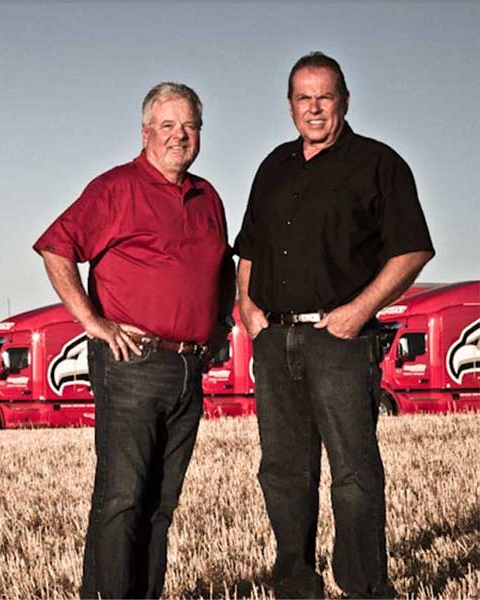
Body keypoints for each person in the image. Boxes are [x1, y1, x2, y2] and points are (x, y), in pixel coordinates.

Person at [235, 52, 434, 598]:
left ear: (345, 100)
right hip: (275, 341)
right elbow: (248, 246)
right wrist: (248, 309)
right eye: (304, 98)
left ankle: (366, 586)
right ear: (290, 105)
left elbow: (412, 250)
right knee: (282, 472)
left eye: (325, 96)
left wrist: (357, 312)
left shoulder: (378, 163)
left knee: (353, 473)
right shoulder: (273, 166)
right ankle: (296, 584)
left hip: (340, 342)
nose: (314, 107)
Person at [34, 82, 235, 599]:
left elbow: (222, 270)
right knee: (121, 500)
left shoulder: (208, 196)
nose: (179, 136)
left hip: (189, 370)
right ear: (146, 132)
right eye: (167, 126)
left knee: (161, 507)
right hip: (131, 364)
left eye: (189, 126)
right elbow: (57, 247)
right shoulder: (116, 188)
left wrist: (218, 329)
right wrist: (94, 322)